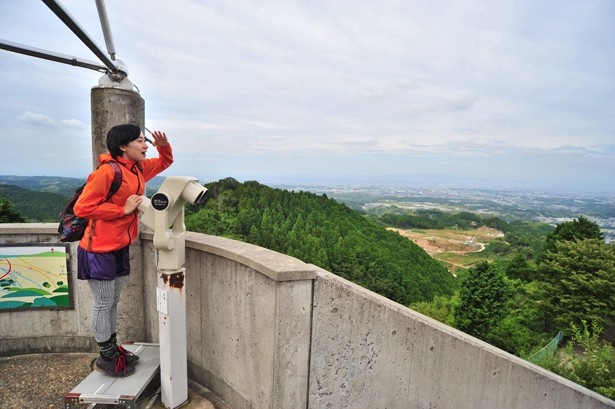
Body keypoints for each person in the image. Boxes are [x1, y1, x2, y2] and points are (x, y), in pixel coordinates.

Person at [74, 123, 174, 377]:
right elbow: (82, 208)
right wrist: (122, 211)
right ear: (123, 146)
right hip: (98, 249)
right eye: (140, 141)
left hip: (119, 246)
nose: (145, 145)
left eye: (146, 141)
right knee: (103, 303)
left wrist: (163, 148)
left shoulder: (137, 169)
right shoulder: (108, 172)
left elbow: (164, 163)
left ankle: (112, 349)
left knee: (113, 301)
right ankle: (106, 356)